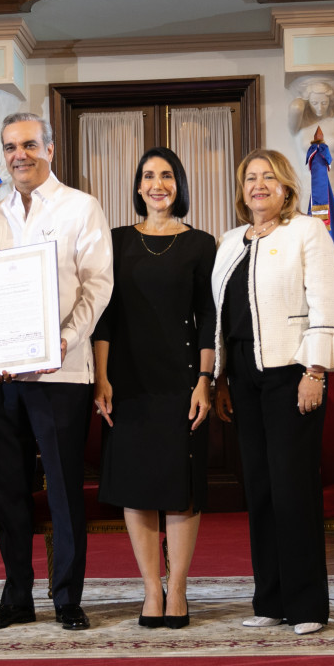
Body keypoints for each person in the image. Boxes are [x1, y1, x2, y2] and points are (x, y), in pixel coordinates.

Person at [0, 112, 113, 633]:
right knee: (8, 490)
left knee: (63, 489)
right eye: (11, 147)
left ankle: (67, 597)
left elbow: (98, 286)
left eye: (29, 145)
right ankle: (16, 598)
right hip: (2, 376)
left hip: (60, 372)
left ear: (49, 149)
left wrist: (66, 339)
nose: (19, 155)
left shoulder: (81, 207)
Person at [212, 148, 334, 636]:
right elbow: (221, 317)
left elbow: (325, 303)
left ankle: (307, 606)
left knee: (294, 490)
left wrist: (316, 371)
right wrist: (221, 378)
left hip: (292, 374)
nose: (259, 185)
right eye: (250, 177)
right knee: (261, 489)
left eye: (269, 176)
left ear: (287, 186)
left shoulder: (307, 231)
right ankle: (270, 599)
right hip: (243, 378)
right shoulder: (230, 241)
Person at [93, 147, 216, 629]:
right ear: (138, 186)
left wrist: (205, 381)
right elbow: (104, 316)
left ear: (178, 185)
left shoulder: (201, 243)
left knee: (181, 488)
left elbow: (208, 318)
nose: (157, 184)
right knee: (137, 486)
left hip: (182, 381)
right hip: (128, 382)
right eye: (148, 176)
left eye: (166, 175)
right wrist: (101, 377)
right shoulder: (116, 240)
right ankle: (150, 589)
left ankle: (178, 588)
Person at [288, 77, 334, 251]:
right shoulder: (299, 126)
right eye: (315, 103)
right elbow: (295, 108)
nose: (320, 107)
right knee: (308, 244)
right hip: (309, 192)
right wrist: (304, 98)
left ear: (331, 101)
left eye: (324, 102)